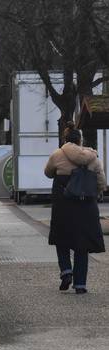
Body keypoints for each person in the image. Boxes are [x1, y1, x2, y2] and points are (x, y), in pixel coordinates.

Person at [44, 122, 106, 294]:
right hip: (86, 205)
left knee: (61, 238)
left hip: (63, 204)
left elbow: (48, 173)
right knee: (82, 244)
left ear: (66, 139)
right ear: (80, 141)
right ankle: (80, 284)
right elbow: (102, 182)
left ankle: (66, 271)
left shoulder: (57, 155)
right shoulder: (93, 157)